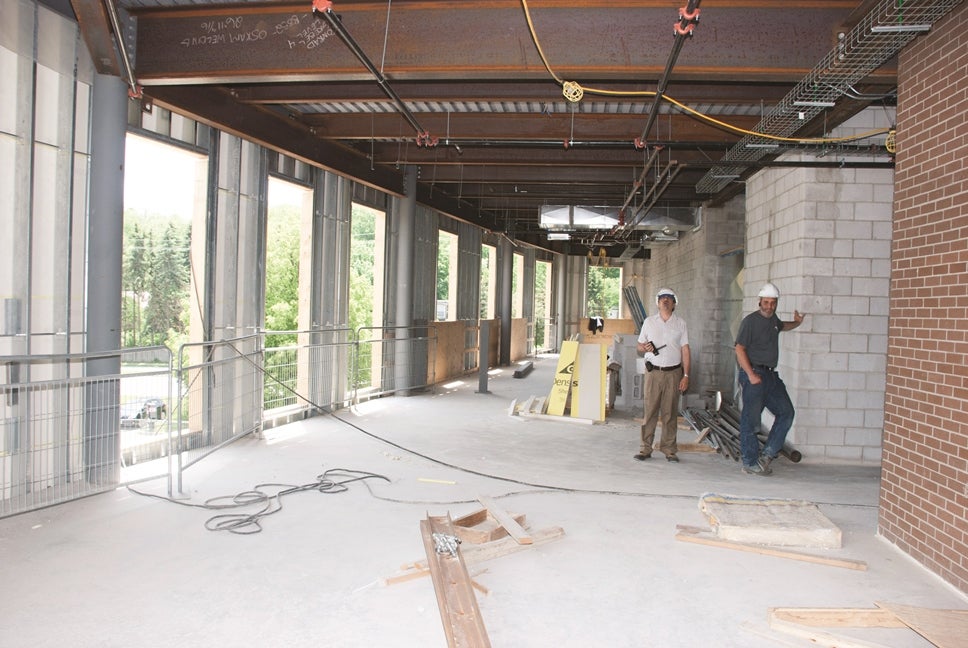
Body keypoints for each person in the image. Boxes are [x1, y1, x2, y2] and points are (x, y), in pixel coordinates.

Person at [734, 282, 806, 476]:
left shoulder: (773, 320)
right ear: (760, 302)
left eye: (773, 303)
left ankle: (767, 455)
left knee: (786, 413)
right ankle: (749, 463)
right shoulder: (750, 322)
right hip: (754, 374)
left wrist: (797, 323)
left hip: (770, 376)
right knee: (750, 420)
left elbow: (782, 326)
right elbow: (739, 349)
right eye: (766, 302)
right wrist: (750, 374)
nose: (769, 306)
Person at [634, 288, 690, 463]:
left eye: (669, 298)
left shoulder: (680, 324)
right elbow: (639, 346)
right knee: (650, 411)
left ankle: (669, 449)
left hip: (673, 373)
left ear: (674, 303)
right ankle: (645, 448)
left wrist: (686, 375)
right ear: (657, 302)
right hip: (653, 373)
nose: (665, 301)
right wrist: (645, 347)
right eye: (662, 298)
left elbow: (685, 350)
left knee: (670, 413)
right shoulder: (649, 322)